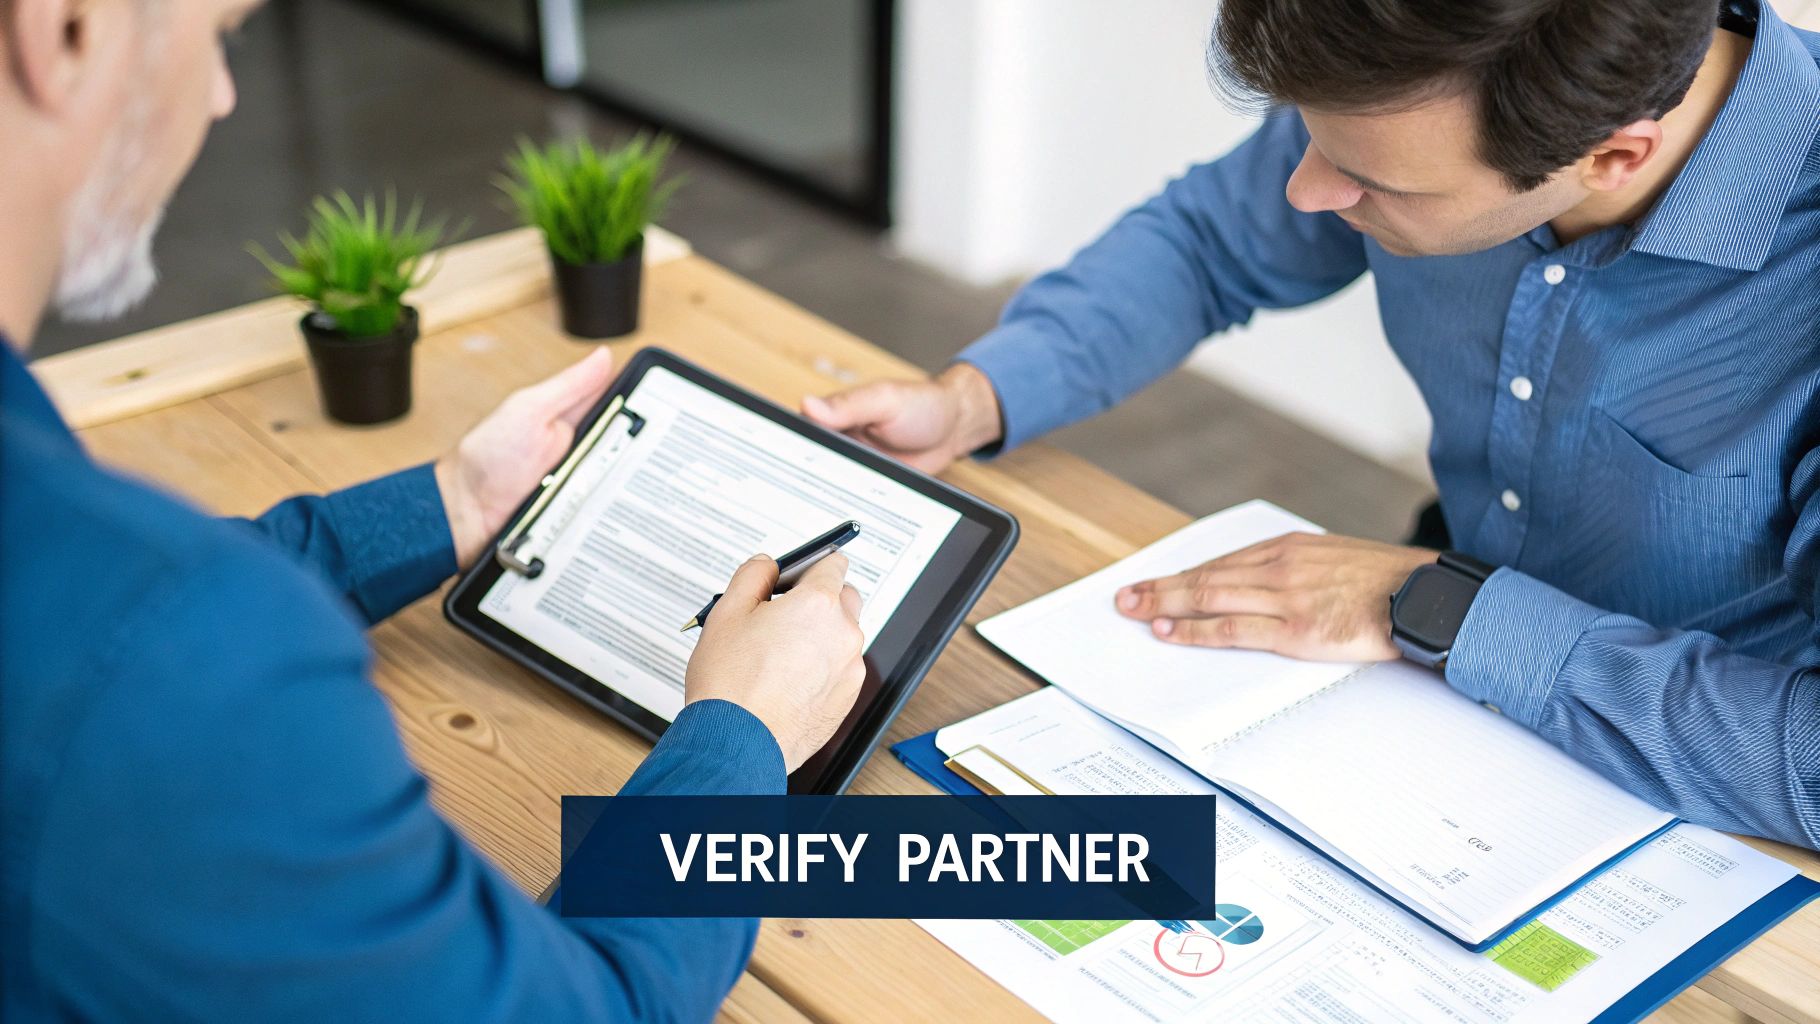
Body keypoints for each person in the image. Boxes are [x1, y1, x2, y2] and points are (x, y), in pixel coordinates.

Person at [0, 1, 866, 1020]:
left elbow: (93, 617)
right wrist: (742, 730)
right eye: (222, 32)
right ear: (67, 29)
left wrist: (447, 504)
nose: (225, 93)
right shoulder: (178, 658)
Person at [806, 0, 1820, 850]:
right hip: (1426, 707)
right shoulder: (1432, 77)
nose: (1306, 191)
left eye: (1368, 184)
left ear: (1611, 155)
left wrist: (1444, 610)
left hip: (1715, 805)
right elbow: (1211, 240)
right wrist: (976, 396)